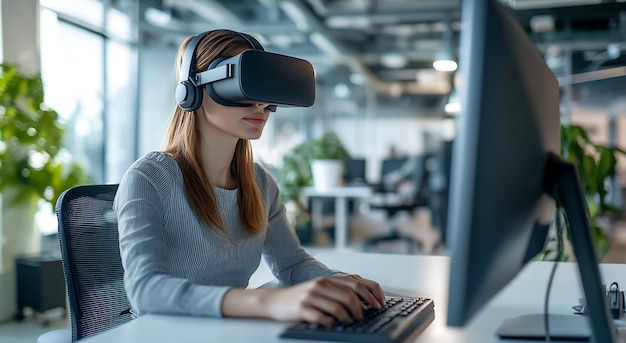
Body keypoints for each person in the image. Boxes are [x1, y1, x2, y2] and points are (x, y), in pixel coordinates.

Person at [113, 29, 385, 327]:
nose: (261, 104)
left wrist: (337, 283)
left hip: (228, 332)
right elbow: (145, 290)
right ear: (193, 91)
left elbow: (292, 264)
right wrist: (269, 302)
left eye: (261, 88)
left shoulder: (260, 183)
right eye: (241, 86)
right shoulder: (148, 178)